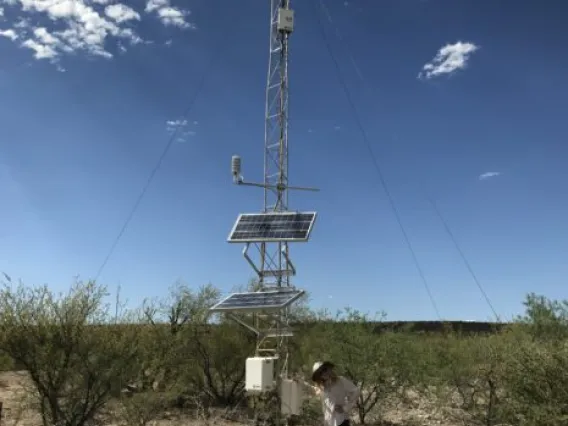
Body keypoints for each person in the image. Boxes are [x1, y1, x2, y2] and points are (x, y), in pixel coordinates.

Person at [308, 361, 360, 426]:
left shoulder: (341, 381)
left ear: (328, 369)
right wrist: (297, 382)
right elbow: (310, 388)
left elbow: (356, 391)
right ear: (319, 376)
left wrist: (345, 407)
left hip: (341, 421)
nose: (323, 373)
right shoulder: (322, 388)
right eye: (320, 373)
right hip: (329, 422)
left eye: (324, 370)